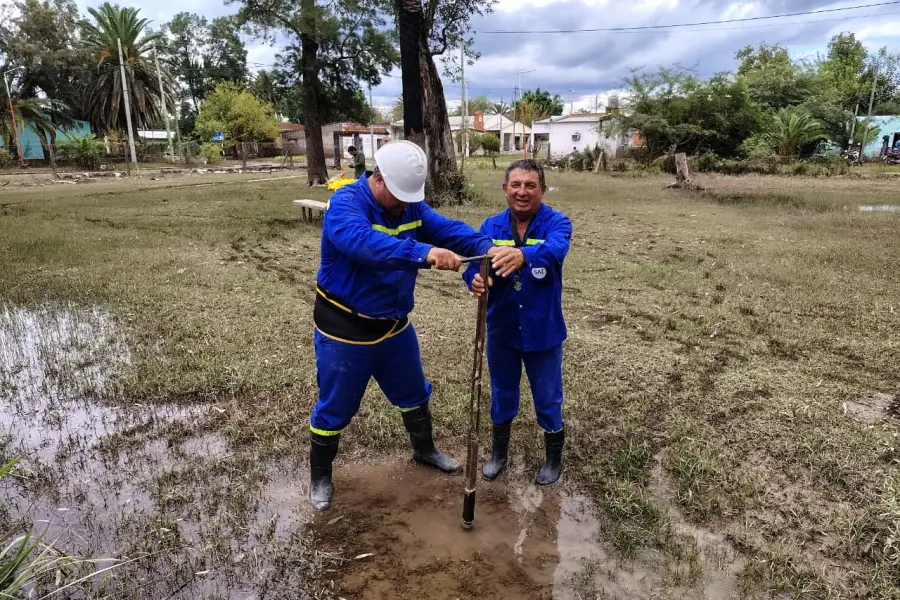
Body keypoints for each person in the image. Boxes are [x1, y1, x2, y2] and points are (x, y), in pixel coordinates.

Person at [309, 140, 519, 511]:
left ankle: (425, 450)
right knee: (335, 407)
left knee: (414, 393)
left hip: (394, 328)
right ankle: (321, 477)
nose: (405, 204)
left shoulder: (410, 207)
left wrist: (487, 247)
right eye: (400, 196)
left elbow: (449, 230)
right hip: (344, 330)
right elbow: (365, 245)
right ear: (378, 179)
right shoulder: (345, 204)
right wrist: (424, 252)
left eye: (410, 198)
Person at [462, 159, 572, 486]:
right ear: (505, 189)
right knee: (502, 394)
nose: (522, 192)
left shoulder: (557, 223)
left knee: (548, 397)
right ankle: (499, 454)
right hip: (502, 330)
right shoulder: (491, 227)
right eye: (516, 185)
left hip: (543, 331)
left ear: (543, 189)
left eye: (530, 185)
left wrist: (524, 256)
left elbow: (555, 250)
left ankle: (553, 459)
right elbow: (475, 265)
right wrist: (474, 280)